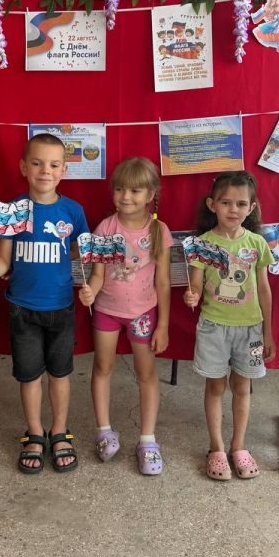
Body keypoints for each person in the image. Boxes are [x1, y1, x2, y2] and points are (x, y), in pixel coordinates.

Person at [0, 133, 89, 473]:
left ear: (64, 170)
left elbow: (82, 257)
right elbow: (3, 262)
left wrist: (91, 283)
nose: (45, 171)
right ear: (23, 167)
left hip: (62, 307)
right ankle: (35, 432)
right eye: (36, 163)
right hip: (22, 309)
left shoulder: (73, 211)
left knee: (61, 373)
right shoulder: (12, 211)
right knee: (29, 376)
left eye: (53, 165)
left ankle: (60, 431)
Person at [77, 158, 172, 475]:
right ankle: (104, 431)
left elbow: (162, 282)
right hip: (106, 311)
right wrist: (90, 290)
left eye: (134, 190)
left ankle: (148, 440)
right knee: (102, 367)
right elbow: (99, 275)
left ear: (151, 194)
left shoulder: (159, 231)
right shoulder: (106, 227)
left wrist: (163, 324)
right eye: (119, 189)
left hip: (144, 315)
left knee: (146, 373)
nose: (125, 196)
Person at [182, 171, 276, 481]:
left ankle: (239, 446)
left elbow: (264, 289)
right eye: (225, 202)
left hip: (250, 329)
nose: (233, 209)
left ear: (251, 208)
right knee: (215, 387)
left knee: (242, 387)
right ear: (212, 205)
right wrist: (192, 296)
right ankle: (217, 448)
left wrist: (269, 332)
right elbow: (195, 283)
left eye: (240, 203)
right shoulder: (202, 244)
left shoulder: (258, 244)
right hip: (213, 328)